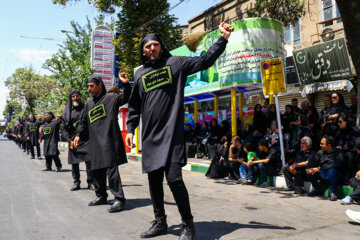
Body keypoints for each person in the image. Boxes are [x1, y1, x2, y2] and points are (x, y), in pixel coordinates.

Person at [125, 22, 232, 240]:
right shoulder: (139, 75)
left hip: (172, 135)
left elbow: (205, 61)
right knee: (154, 181)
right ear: (143, 51)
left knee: (174, 179)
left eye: (155, 45)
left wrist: (222, 38)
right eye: (147, 47)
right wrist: (130, 128)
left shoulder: (176, 63)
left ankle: (188, 225)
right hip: (151, 138)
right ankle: (160, 222)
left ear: (161, 46)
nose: (152, 49)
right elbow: (134, 104)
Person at [74, 74, 131, 213]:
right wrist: (78, 135)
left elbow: (126, 98)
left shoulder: (111, 98)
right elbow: (83, 122)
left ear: (100, 85)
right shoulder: (88, 104)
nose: (89, 89)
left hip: (109, 140)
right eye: (88, 87)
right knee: (96, 170)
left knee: (111, 171)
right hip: (95, 142)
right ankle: (101, 196)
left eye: (91, 86)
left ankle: (119, 199)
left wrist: (126, 84)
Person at [62, 90, 94, 191]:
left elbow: (88, 124)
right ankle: (76, 182)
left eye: (77, 96)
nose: (75, 98)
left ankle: (90, 182)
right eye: (73, 96)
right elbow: (64, 129)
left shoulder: (85, 108)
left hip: (85, 139)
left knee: (89, 162)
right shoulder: (67, 112)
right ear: (70, 98)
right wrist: (69, 141)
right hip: (72, 141)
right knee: (74, 163)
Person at [306, 135, 345, 201]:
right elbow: (312, 161)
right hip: (324, 174)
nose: (320, 145)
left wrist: (320, 168)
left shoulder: (338, 153)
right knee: (311, 172)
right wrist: (309, 168)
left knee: (331, 171)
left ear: (329, 145)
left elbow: (336, 165)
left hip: (336, 177)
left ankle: (333, 193)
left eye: (322, 144)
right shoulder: (320, 152)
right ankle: (317, 189)